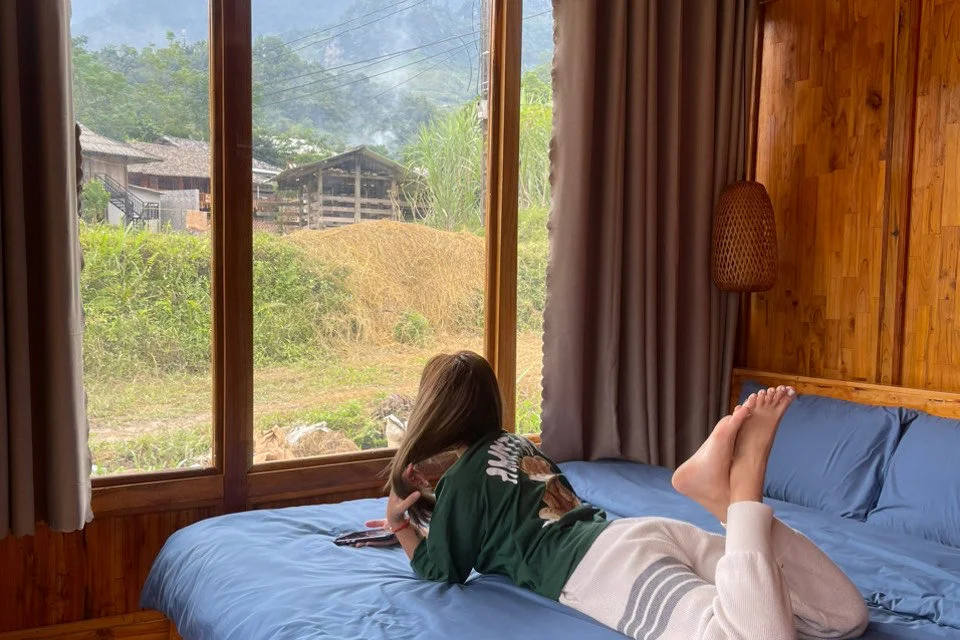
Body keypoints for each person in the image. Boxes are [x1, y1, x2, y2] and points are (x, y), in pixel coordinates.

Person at [365, 351, 869, 640]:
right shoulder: (516, 443)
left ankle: (743, 489)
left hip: (598, 570)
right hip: (631, 533)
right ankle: (726, 503)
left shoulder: (459, 484)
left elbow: (442, 569)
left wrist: (402, 525)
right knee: (845, 618)